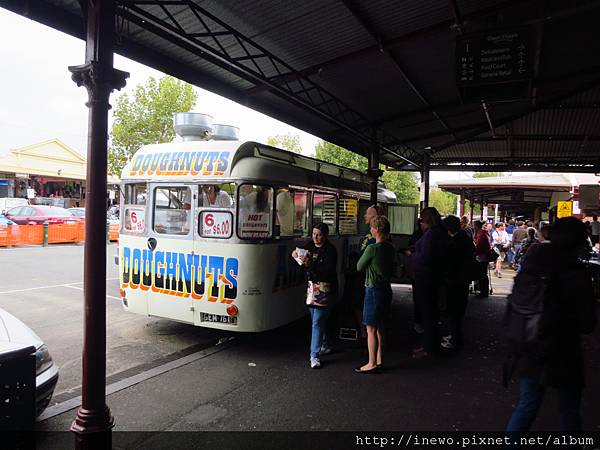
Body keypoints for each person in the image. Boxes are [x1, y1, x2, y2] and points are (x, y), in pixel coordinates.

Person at [505, 217, 597, 433]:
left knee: (527, 405)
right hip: (564, 349)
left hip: (529, 341)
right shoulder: (576, 272)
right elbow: (587, 323)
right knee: (569, 409)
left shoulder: (532, 263)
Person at [292, 223, 338, 369]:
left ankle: (314, 355)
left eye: (318, 235)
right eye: (313, 234)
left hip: (325, 288)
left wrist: (310, 264)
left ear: (325, 235)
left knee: (317, 321)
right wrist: (295, 255)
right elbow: (299, 255)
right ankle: (325, 344)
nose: (315, 237)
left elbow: (327, 272)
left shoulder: (330, 250)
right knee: (316, 319)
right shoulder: (310, 246)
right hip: (311, 289)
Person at [355, 215, 395, 373]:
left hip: (373, 289)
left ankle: (371, 363)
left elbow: (359, 266)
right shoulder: (390, 248)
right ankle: (380, 360)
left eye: (372, 227)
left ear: (377, 230)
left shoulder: (372, 248)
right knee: (381, 327)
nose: (370, 229)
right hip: (386, 289)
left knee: (370, 328)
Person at [412, 207, 446, 358]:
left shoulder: (431, 235)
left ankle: (429, 348)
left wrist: (412, 254)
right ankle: (430, 345)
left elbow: (424, 257)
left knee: (428, 314)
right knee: (432, 313)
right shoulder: (440, 233)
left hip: (425, 278)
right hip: (435, 278)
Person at [440, 215, 475, 350]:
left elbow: (450, 263)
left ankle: (455, 339)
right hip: (463, 280)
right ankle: (456, 337)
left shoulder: (455, 242)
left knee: (453, 311)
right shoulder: (465, 239)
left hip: (454, 281)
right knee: (459, 311)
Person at [351, 204, 384, 339]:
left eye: (368, 214)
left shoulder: (376, 241)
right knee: (358, 304)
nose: (365, 216)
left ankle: (371, 339)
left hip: (370, 279)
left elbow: (362, 263)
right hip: (364, 277)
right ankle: (365, 333)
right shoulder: (368, 235)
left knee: (373, 315)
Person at [473, 220, 491, 298]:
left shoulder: (481, 234)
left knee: (482, 275)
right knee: (483, 274)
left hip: (482, 256)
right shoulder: (482, 233)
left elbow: (479, 246)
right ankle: (483, 291)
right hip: (483, 255)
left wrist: (474, 253)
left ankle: (484, 292)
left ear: (476, 226)